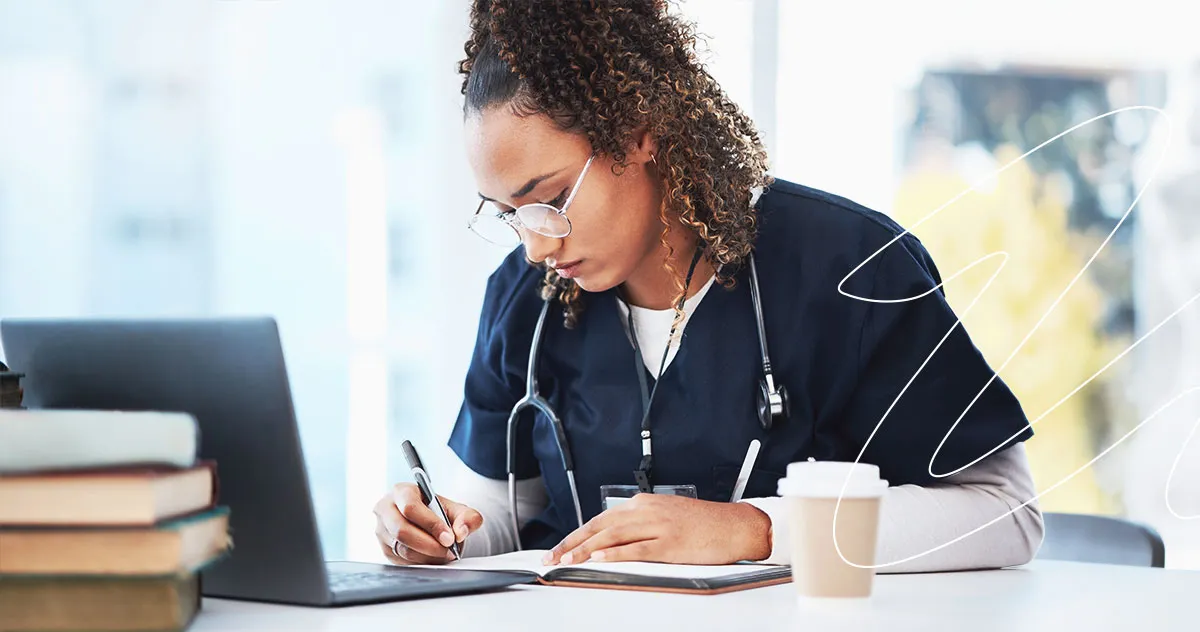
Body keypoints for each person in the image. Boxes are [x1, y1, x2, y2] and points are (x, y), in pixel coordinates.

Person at [373, 0, 1044, 572]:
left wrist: (755, 529)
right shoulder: (526, 299)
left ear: (638, 135)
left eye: (547, 199)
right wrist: (440, 533)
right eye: (508, 214)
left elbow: (1005, 511)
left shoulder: (849, 267)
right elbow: (501, 517)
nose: (536, 244)